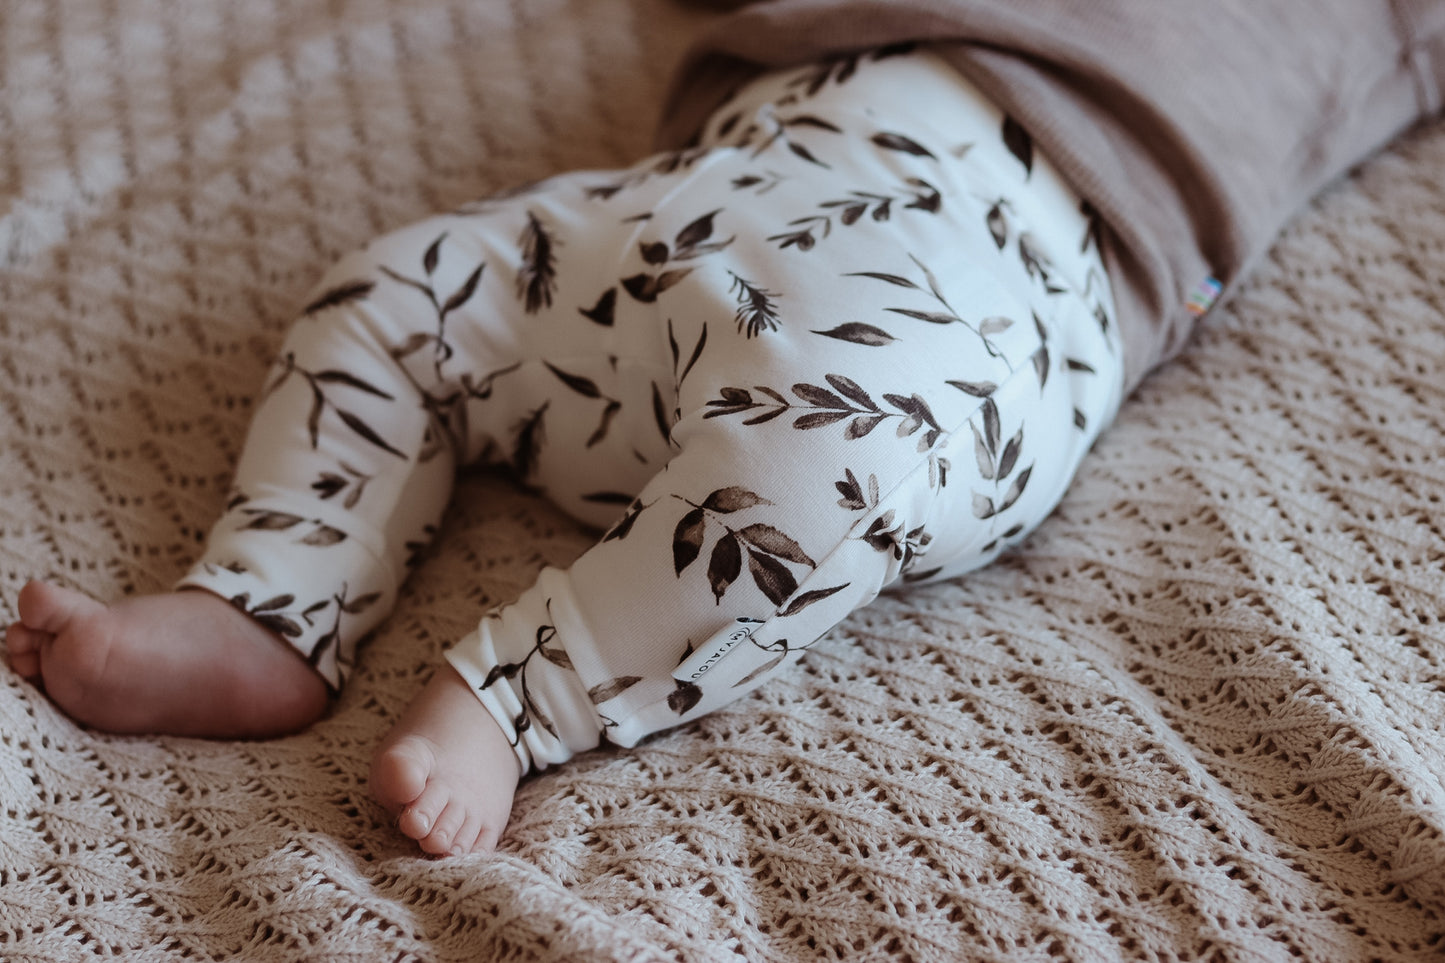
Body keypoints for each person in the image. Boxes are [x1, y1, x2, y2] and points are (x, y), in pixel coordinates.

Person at [6, 1, 1442, 858]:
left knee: (823, 471)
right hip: (732, 185)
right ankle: (270, 598)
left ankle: (520, 698)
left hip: (1008, 279)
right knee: (409, 292)